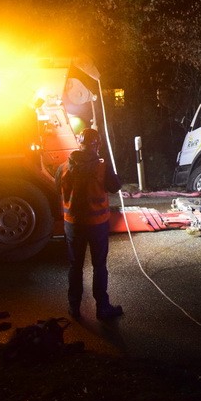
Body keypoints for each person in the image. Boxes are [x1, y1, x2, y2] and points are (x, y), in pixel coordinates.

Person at [56, 127, 124, 320]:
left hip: (73, 225)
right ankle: (102, 308)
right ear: (98, 145)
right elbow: (115, 186)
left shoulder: (63, 168)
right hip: (97, 225)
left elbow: (57, 193)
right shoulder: (102, 167)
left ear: (80, 144)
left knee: (74, 266)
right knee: (99, 266)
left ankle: (74, 307)